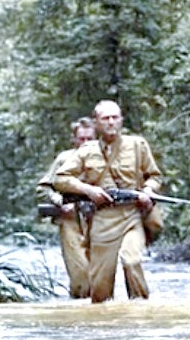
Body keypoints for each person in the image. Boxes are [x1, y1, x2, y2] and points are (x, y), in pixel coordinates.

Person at [54, 100, 163, 303]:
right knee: (100, 292)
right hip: (102, 219)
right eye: (105, 118)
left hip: (132, 215)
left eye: (115, 117)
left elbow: (155, 176)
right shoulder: (86, 151)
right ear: (96, 123)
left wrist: (147, 191)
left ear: (121, 120)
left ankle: (142, 314)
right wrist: (88, 190)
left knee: (132, 260)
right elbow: (60, 178)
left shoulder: (137, 145)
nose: (111, 122)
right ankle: (105, 326)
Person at [36, 117, 96, 299]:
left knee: (100, 275)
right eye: (81, 139)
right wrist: (59, 201)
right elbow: (43, 188)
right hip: (70, 220)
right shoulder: (64, 159)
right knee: (80, 273)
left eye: (89, 139)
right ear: (74, 140)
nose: (85, 143)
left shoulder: (106, 159)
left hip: (99, 220)